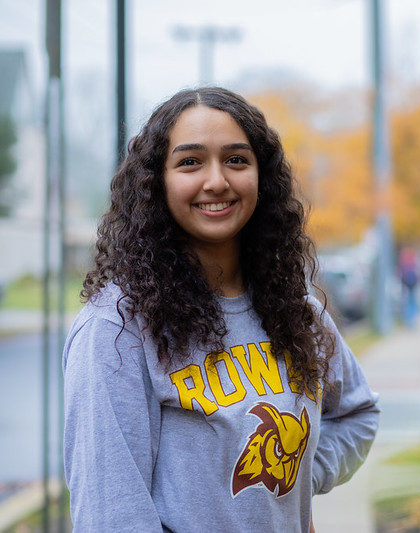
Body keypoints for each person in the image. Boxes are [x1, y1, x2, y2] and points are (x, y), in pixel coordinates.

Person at [62, 87, 380, 533]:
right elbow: (110, 513)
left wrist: (290, 481)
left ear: (261, 178)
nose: (216, 181)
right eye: (190, 162)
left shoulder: (297, 312)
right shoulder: (117, 327)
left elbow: (357, 414)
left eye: (236, 160)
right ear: (158, 181)